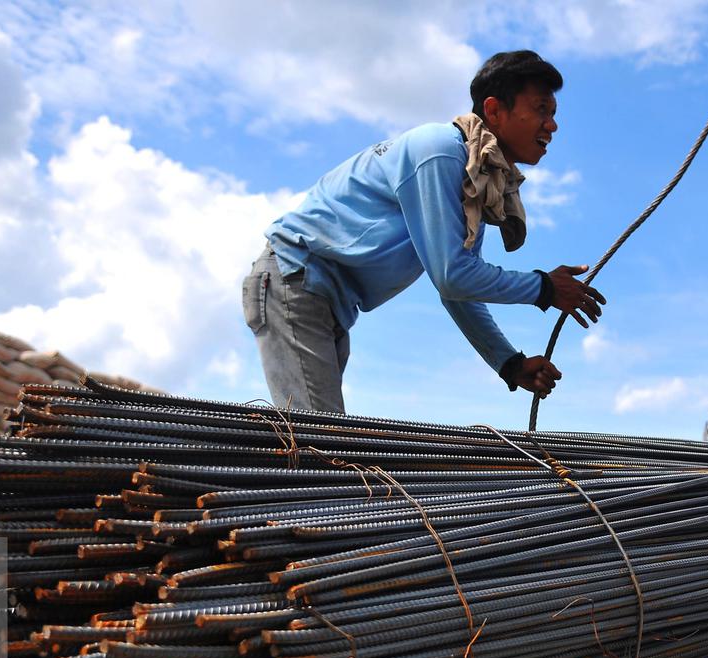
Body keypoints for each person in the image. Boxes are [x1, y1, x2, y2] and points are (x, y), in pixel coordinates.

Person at [243, 50, 605, 413]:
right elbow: (454, 277)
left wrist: (509, 363)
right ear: (494, 110)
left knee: (325, 443)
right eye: (541, 110)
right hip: (296, 278)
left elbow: (458, 289)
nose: (552, 125)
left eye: (554, 115)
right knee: (324, 445)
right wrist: (543, 288)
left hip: (325, 301)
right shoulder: (442, 152)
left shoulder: (474, 177)